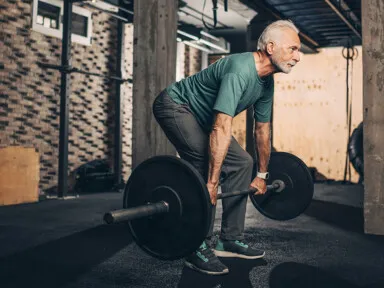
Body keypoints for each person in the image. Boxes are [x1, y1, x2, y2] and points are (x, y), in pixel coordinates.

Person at [152, 20, 301, 275]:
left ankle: (229, 239)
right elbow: (221, 126)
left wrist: (262, 175)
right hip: (176, 106)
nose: (298, 57)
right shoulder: (239, 69)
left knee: (242, 163)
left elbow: (262, 130)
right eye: (293, 49)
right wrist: (211, 183)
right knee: (204, 163)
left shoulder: (266, 81)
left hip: (204, 116)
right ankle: (195, 245)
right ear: (271, 47)